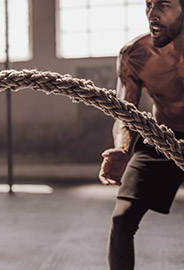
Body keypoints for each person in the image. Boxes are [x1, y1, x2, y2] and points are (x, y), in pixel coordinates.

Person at [98, 0, 184, 269]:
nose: (152, 14)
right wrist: (123, 149)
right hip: (162, 139)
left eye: (164, 5)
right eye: (148, 4)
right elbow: (125, 111)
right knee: (122, 220)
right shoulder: (134, 55)